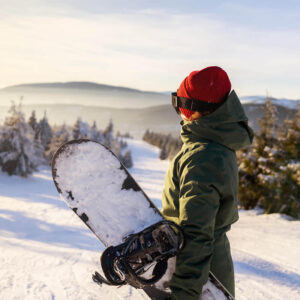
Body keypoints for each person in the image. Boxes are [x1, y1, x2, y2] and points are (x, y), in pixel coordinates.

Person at [161, 66, 253, 300]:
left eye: (179, 103)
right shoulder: (213, 145)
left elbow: (196, 232)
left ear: (193, 110)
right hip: (206, 270)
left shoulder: (202, 157)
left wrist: (184, 293)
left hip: (202, 280)